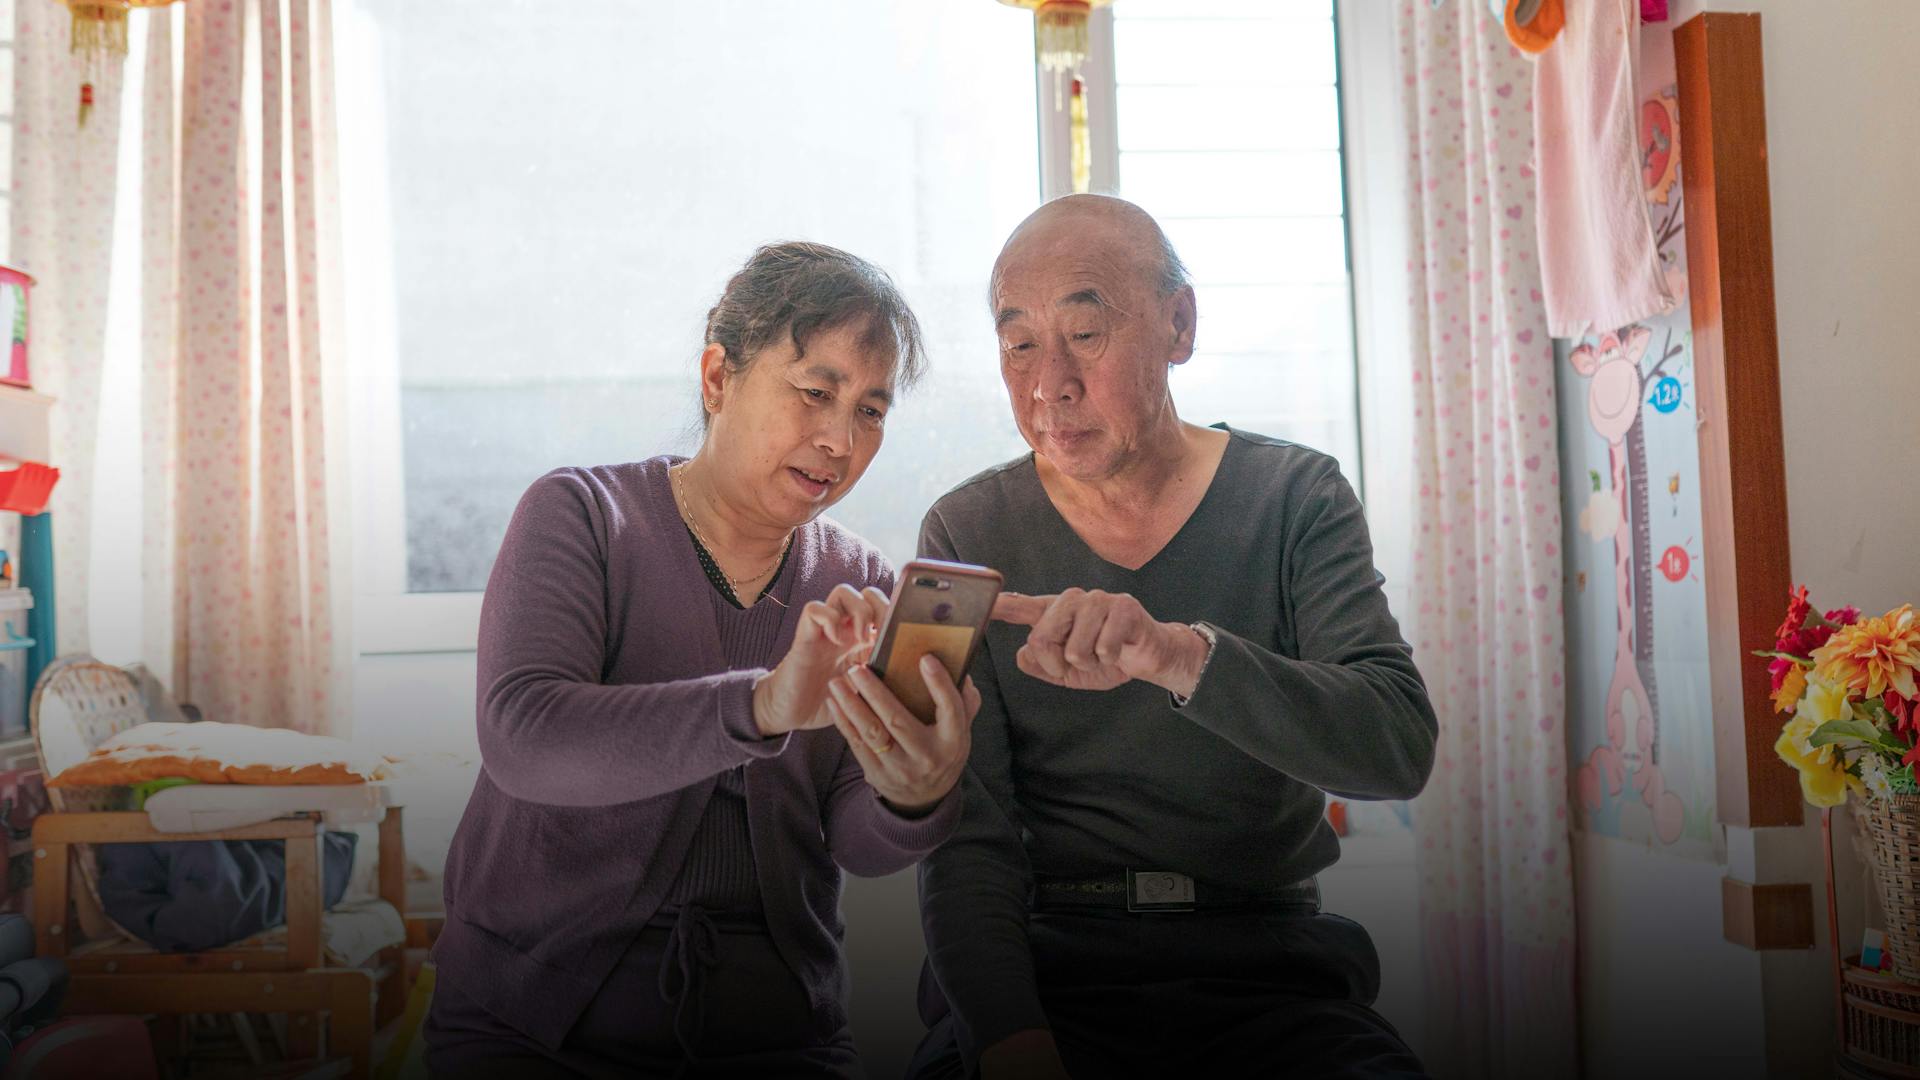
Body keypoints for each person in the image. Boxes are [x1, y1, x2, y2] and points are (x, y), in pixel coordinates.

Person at [909, 196, 1438, 1078]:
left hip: (1269, 973)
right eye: (1019, 345)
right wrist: (1009, 1035)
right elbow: (970, 837)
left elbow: (1395, 747)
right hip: (1052, 972)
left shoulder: (1295, 496)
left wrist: (1178, 657)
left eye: (1086, 332)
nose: (1049, 385)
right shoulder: (964, 532)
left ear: (1178, 325)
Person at [426, 242, 981, 1078]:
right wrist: (761, 704)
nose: (838, 439)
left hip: (779, 1038)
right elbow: (525, 737)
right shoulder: (582, 516)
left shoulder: (860, 583)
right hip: (533, 1029)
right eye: (815, 392)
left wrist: (915, 795)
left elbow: (857, 843)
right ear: (719, 377)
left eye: (870, 411)